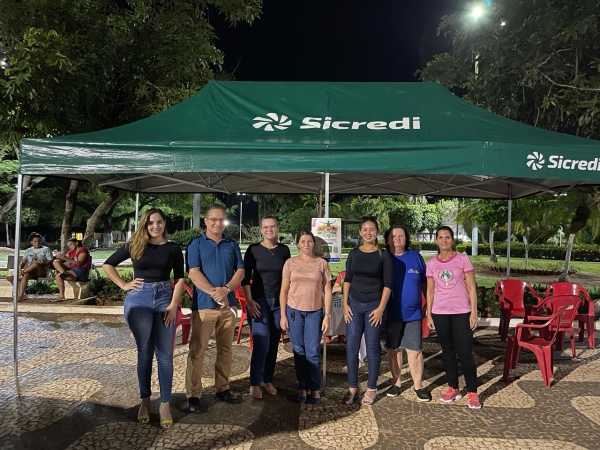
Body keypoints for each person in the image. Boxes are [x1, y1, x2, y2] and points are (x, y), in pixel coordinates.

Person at [103, 208, 185, 428]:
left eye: (159, 222)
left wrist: (173, 304)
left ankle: (165, 403)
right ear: (145, 224)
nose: (155, 226)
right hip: (139, 298)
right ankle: (145, 401)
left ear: (164, 223)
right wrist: (124, 285)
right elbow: (108, 264)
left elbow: (179, 278)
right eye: (150, 223)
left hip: (165, 299)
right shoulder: (135, 245)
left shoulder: (173, 248)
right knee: (145, 352)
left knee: (165, 354)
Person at [185, 204, 245, 410]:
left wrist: (227, 289)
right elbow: (193, 273)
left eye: (222, 220)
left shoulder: (231, 244)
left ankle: (223, 388)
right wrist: (216, 293)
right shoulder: (196, 244)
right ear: (206, 221)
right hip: (204, 306)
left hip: (228, 307)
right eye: (214, 219)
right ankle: (193, 395)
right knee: (198, 350)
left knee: (226, 349)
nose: (218, 223)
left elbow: (240, 271)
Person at [426, 226, 480, 409]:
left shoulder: (463, 259)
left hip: (461, 312)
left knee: (465, 352)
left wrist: (474, 312)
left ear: (452, 240)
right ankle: (453, 387)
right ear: (436, 241)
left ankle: (472, 391)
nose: (444, 241)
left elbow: (472, 288)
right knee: (447, 352)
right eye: (440, 237)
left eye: (447, 237)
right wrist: (429, 314)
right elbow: (430, 290)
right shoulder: (432, 263)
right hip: (440, 312)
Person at [342, 217, 393, 406]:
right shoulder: (354, 253)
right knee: (351, 347)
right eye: (365, 229)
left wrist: (380, 308)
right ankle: (352, 387)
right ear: (360, 233)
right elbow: (347, 279)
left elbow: (388, 284)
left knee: (372, 348)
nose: (368, 232)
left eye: (372, 229)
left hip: (374, 306)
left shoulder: (384, 255)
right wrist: (346, 304)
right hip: (354, 305)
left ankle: (372, 388)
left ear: (377, 232)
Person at [280, 230, 332, 404]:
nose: (307, 244)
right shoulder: (290, 263)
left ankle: (315, 388)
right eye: (303, 241)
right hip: (294, 311)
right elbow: (284, 290)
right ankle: (302, 386)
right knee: (299, 351)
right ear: (298, 244)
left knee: (312, 352)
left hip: (314, 312)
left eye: (309, 241)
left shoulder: (321, 264)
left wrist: (327, 315)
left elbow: (328, 290)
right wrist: (282, 315)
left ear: (313, 244)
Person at [242, 216, 291, 399]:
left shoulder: (284, 251)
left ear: (277, 228)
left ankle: (267, 379)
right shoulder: (253, 250)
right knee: (261, 342)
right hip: (258, 302)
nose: (269, 229)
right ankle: (254, 382)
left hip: (278, 303)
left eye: (272, 226)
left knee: (273, 345)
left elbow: (288, 278)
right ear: (261, 230)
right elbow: (245, 278)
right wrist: (248, 300)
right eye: (265, 227)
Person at [383, 226, 431, 402]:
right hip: (391, 313)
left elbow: (425, 283)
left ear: (406, 238)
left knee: (415, 350)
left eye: (401, 235)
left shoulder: (415, 257)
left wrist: (428, 305)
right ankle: (396, 383)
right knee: (394, 350)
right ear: (388, 239)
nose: (397, 238)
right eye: (393, 236)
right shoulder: (384, 258)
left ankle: (418, 386)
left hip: (413, 314)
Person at [7, 233, 53, 302]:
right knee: (26, 275)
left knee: (36, 264)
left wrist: (42, 263)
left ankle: (17, 275)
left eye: (39, 241)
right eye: (35, 241)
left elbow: (50, 261)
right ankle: (21, 296)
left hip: (42, 271)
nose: (37, 243)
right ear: (31, 242)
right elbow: (23, 261)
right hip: (31, 271)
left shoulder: (46, 249)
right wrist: (20, 268)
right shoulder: (28, 250)